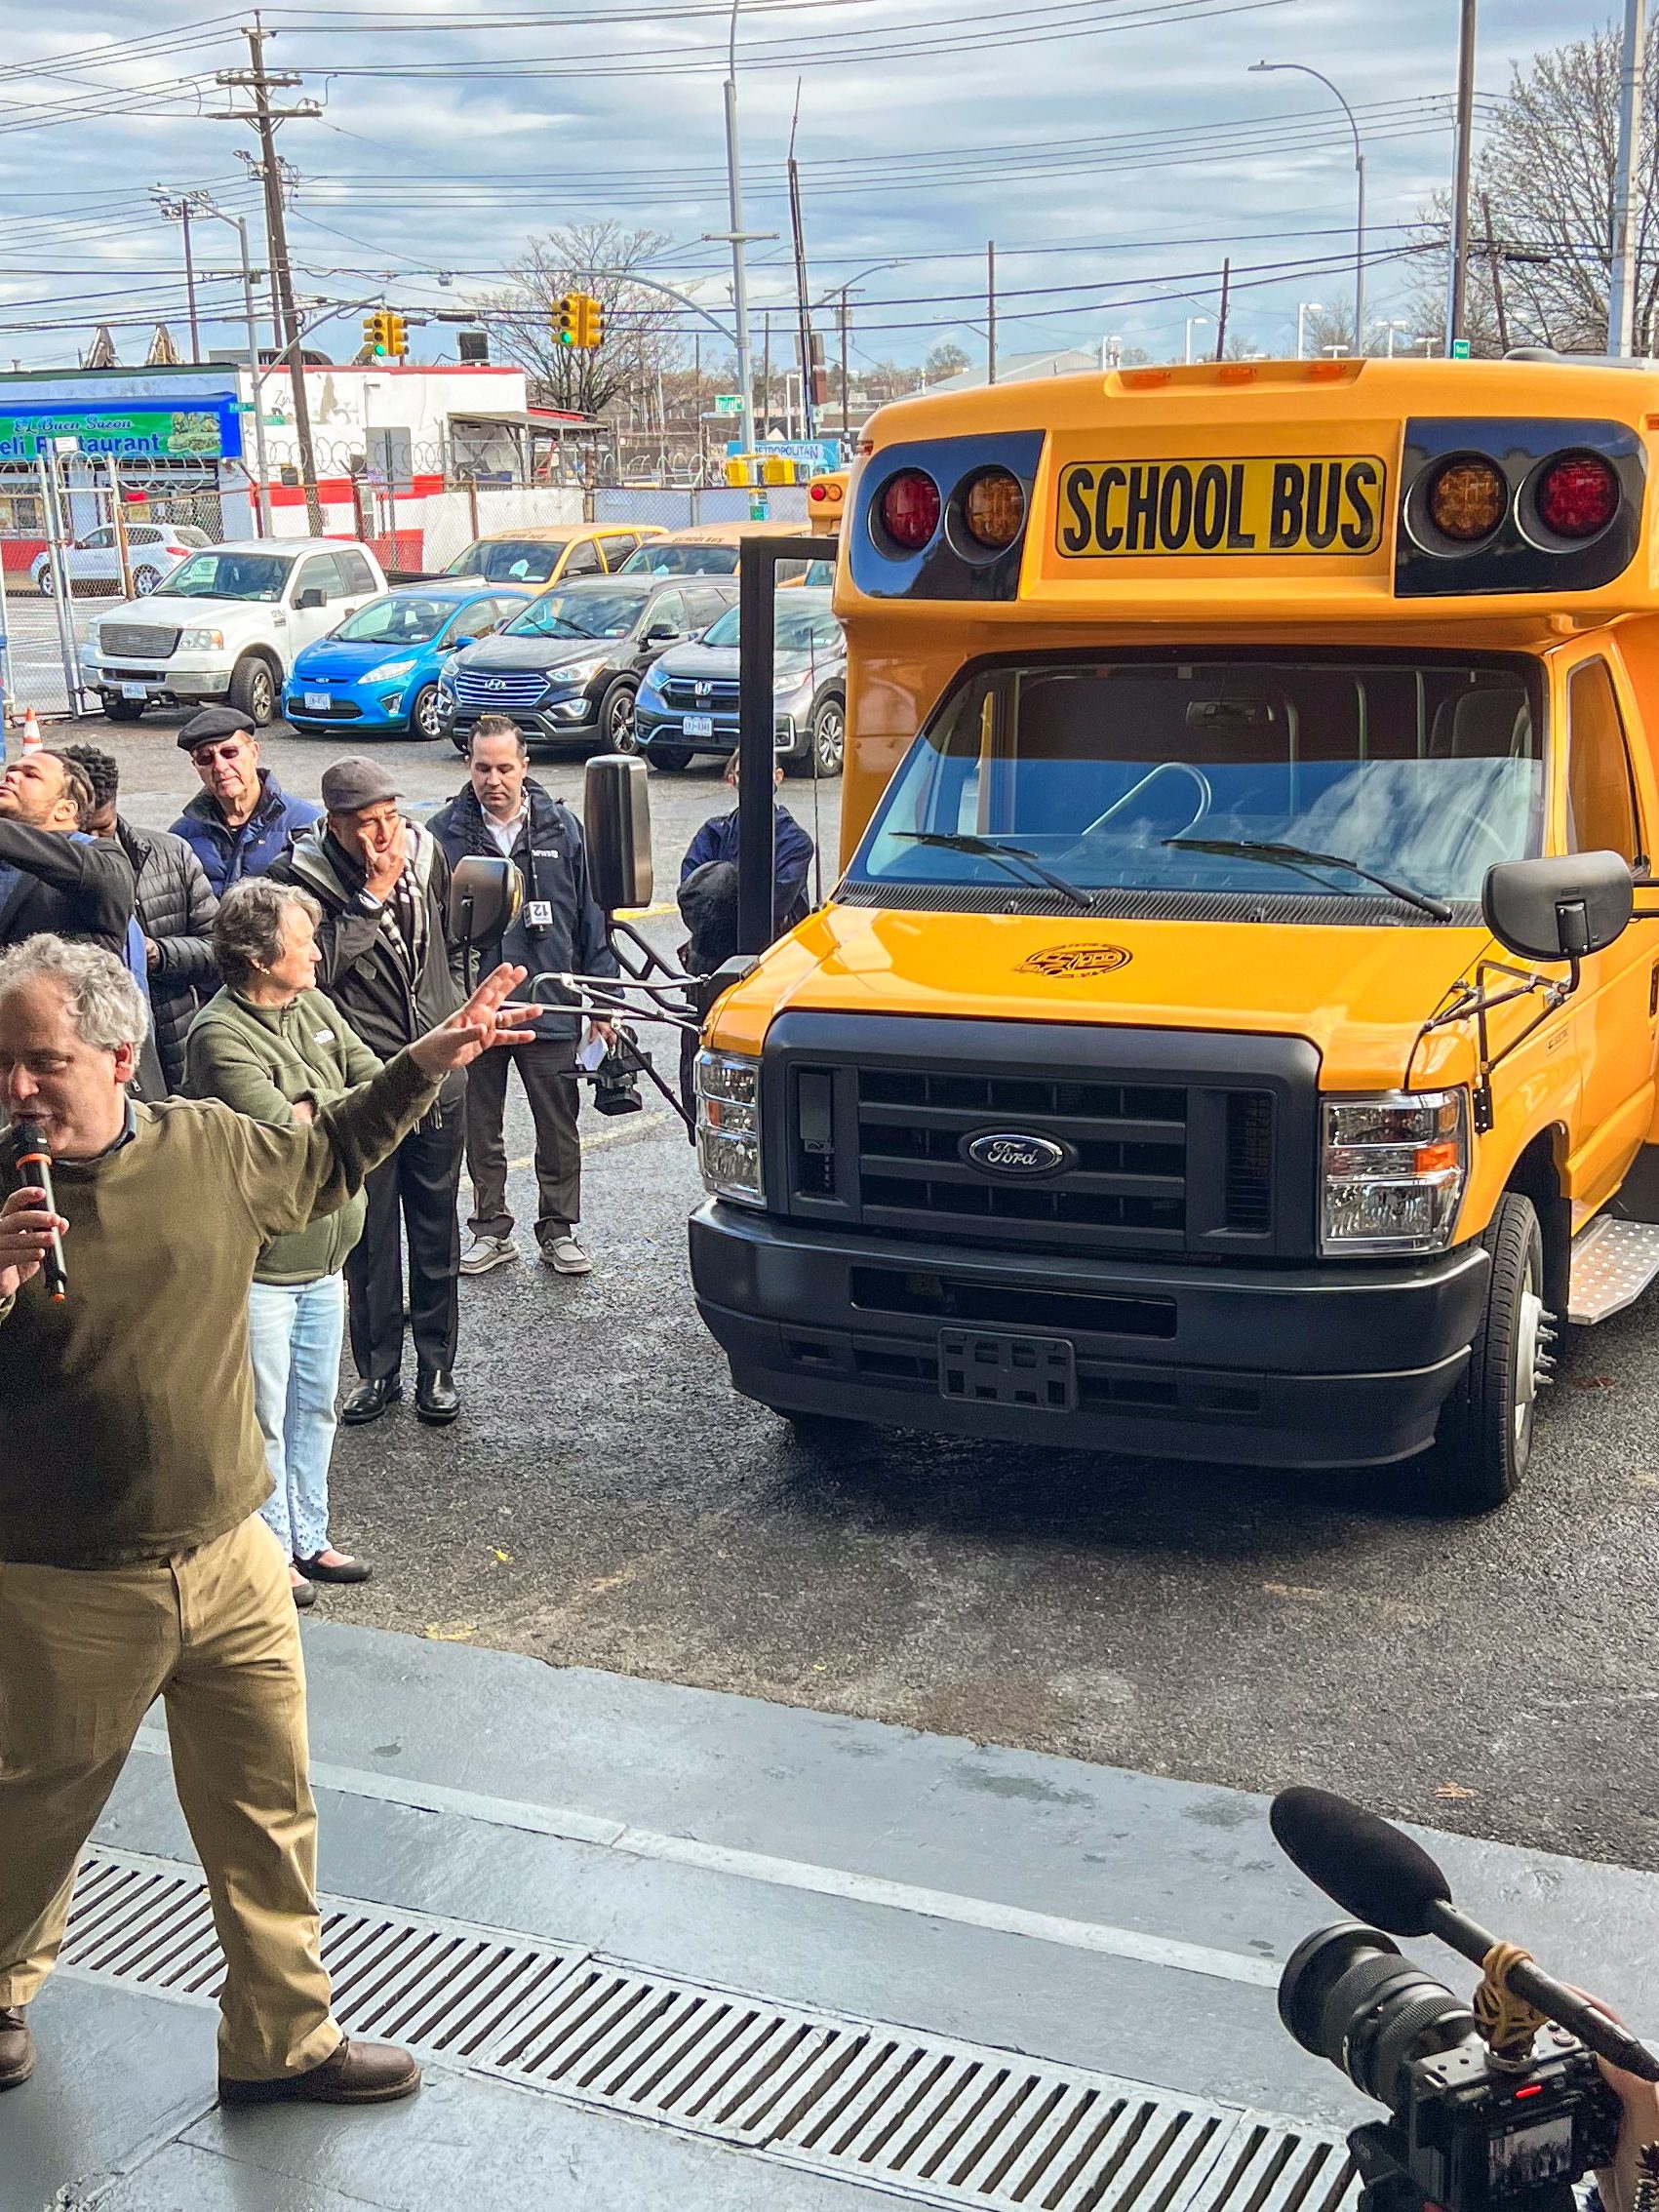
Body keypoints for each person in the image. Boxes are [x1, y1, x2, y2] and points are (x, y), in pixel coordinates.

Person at [0, 931, 533, 2105]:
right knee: (30, 1811)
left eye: (42, 1062)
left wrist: (427, 1063)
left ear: (119, 1053)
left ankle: (281, 2040)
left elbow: (330, 1149)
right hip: (59, 1577)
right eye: (3, 1065)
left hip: (231, 1557)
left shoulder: (210, 1150)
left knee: (268, 1810)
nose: (18, 1091)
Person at [185, 880, 381, 1607]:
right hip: (263, 1269)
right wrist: (329, 1113)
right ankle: (271, 1554)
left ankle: (312, 1537)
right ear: (260, 956)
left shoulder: (316, 1006)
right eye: (302, 942)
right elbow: (279, 1135)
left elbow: (374, 1084)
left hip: (327, 1261)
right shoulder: (218, 1035)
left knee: (316, 1407)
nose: (314, 954)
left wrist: (315, 1108)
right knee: (263, 1415)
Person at [272, 759, 465, 1426]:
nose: (384, 834)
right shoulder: (300, 878)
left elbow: (447, 939)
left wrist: (455, 1006)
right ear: (333, 824)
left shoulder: (428, 847)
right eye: (366, 824)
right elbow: (318, 970)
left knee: (436, 1228)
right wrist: (374, 894)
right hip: (364, 1082)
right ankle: (378, 1370)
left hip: (438, 1069)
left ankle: (437, 1366)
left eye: (389, 817)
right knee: (370, 1235)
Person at [428, 714, 617, 1277]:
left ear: (524, 765)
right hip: (478, 1010)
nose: (494, 779)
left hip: (551, 1003)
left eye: (505, 767)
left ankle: (558, 1230)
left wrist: (601, 1005)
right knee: (478, 1127)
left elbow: (592, 920)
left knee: (558, 1125)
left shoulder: (564, 828)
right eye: (483, 768)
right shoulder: (444, 835)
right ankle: (491, 1228)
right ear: (469, 766)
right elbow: (432, 933)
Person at [62, 742, 219, 1094]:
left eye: (103, 831)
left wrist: (160, 954)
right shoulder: (41, 881)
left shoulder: (171, 854)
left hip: (174, 1057)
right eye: (81, 834)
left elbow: (220, 950)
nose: (93, 846)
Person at [170, 706, 319, 896]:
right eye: (205, 758)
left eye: (229, 752)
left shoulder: (306, 826)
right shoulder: (181, 839)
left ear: (254, 752)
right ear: (195, 767)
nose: (220, 767)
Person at [0, 749, 136, 959]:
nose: (10, 776)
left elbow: (107, 880)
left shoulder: (101, 855)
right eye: (11, 771)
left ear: (64, 809)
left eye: (31, 775)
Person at [680, 754, 815, 933]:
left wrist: (719, 907)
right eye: (744, 773)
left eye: (763, 772)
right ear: (732, 779)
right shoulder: (712, 834)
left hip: (775, 949)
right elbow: (690, 897)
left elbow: (774, 907)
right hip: (713, 949)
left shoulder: (795, 842)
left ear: (778, 776)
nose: (754, 779)